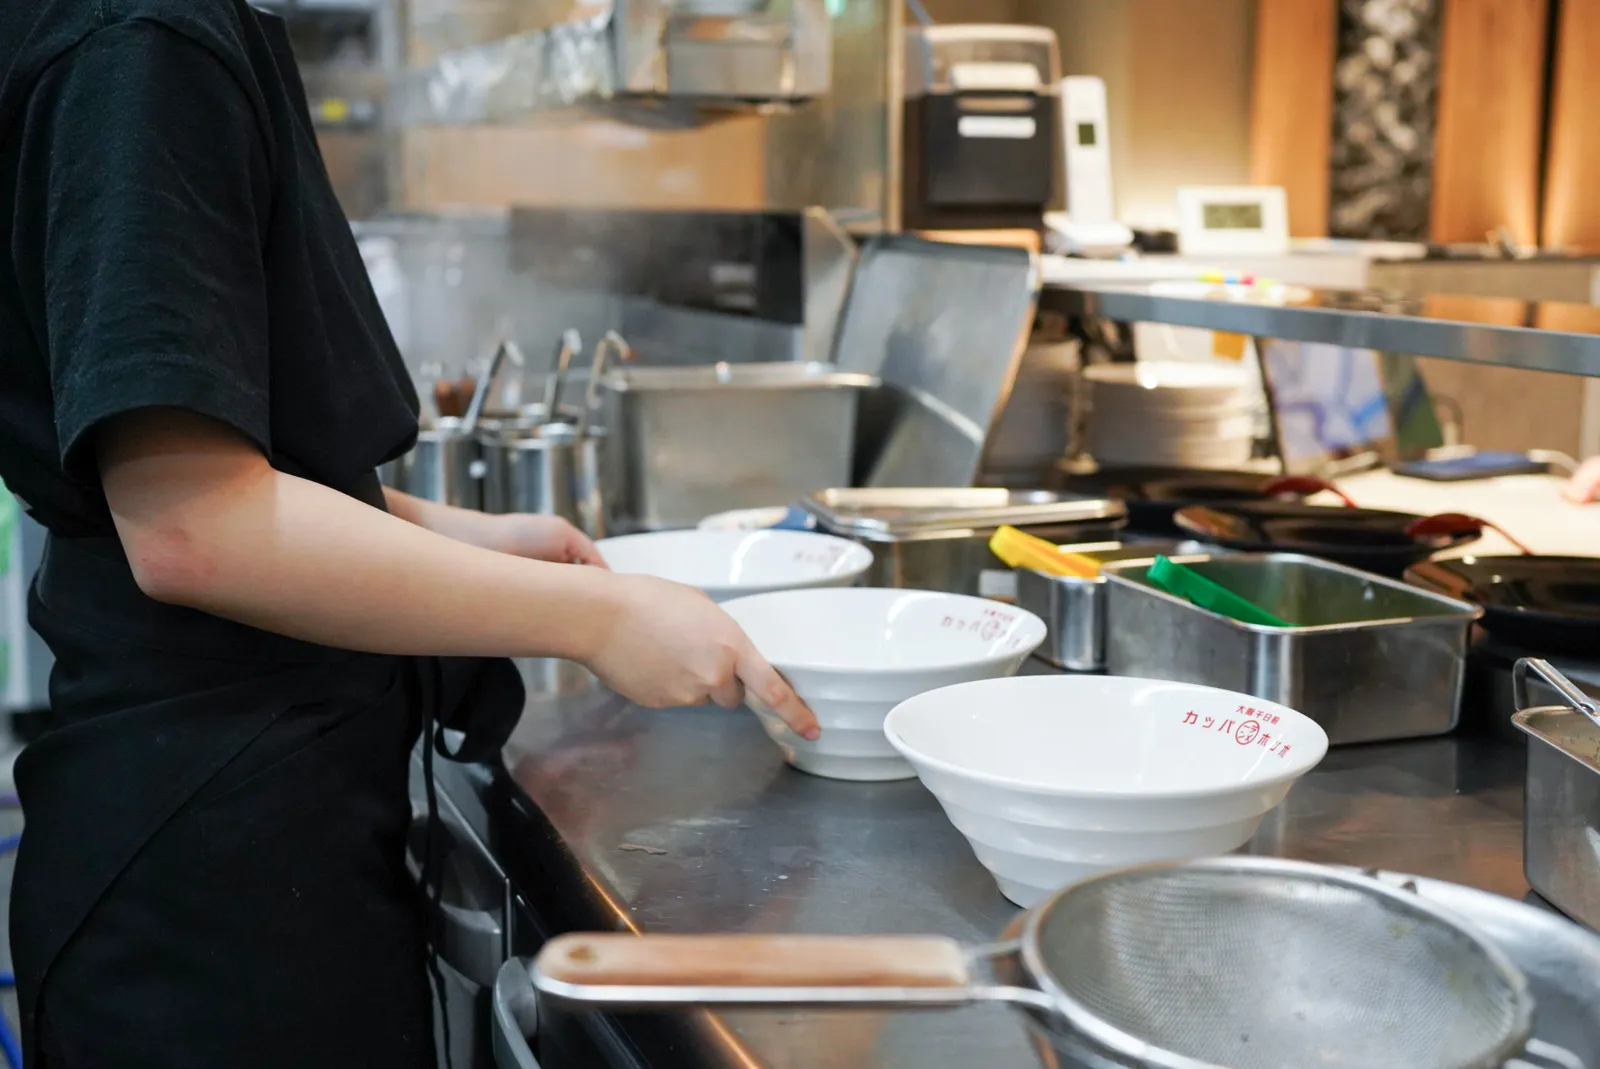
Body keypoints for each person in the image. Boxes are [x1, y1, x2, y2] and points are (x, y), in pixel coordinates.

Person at [0, 2, 818, 1065]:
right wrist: (599, 615)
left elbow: (231, 468)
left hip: (234, 819)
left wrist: (470, 539)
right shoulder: (143, 42)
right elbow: (192, 525)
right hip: (215, 876)